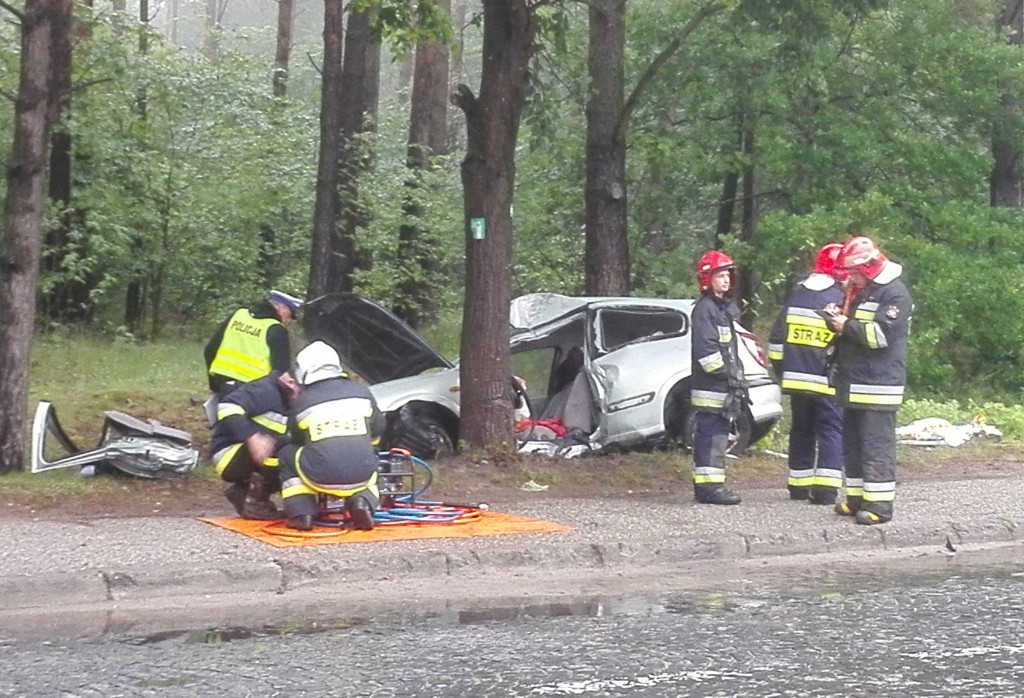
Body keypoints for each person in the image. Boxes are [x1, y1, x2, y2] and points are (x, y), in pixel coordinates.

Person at [822, 235, 913, 525]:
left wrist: (845, 325)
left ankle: (880, 506)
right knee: (854, 444)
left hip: (879, 386)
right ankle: (857, 499)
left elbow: (879, 336)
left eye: (855, 273)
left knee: (876, 447)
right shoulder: (864, 292)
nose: (851, 278)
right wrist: (838, 317)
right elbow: (856, 326)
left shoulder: (895, 295)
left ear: (870, 268)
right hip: (855, 384)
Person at [277, 341, 386, 532]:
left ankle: (302, 513)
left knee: (287, 454)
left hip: (319, 474)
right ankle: (362, 502)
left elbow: (295, 438)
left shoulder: (303, 402)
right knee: (371, 457)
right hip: (362, 473)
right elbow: (379, 428)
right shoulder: (362, 392)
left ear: (303, 371)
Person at [768, 243, 847, 505]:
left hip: (795, 379)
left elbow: (776, 340)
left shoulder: (797, 296)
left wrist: (783, 371)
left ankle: (798, 486)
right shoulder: (840, 298)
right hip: (827, 380)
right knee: (830, 429)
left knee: (801, 429)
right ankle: (825, 490)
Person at [689, 250, 746, 505]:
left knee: (718, 437)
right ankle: (709, 489)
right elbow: (707, 354)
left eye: (727, 275)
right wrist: (729, 376)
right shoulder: (705, 310)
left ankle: (714, 485)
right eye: (720, 275)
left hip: (721, 388)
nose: (726, 280)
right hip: (711, 388)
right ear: (707, 279)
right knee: (711, 438)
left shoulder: (721, 309)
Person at [208, 370, 291, 520]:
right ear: (291, 382)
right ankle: (255, 502)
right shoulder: (265, 390)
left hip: (250, 455)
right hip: (228, 452)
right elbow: (227, 406)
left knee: (293, 448)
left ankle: (244, 491)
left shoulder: (295, 396)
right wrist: (252, 437)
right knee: (285, 449)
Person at [204, 290, 304, 400]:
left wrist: (214, 385)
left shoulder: (238, 315)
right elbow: (280, 372)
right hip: (255, 392)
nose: (290, 320)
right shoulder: (276, 329)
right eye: (291, 314)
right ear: (280, 307)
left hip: (224, 385)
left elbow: (210, 349)